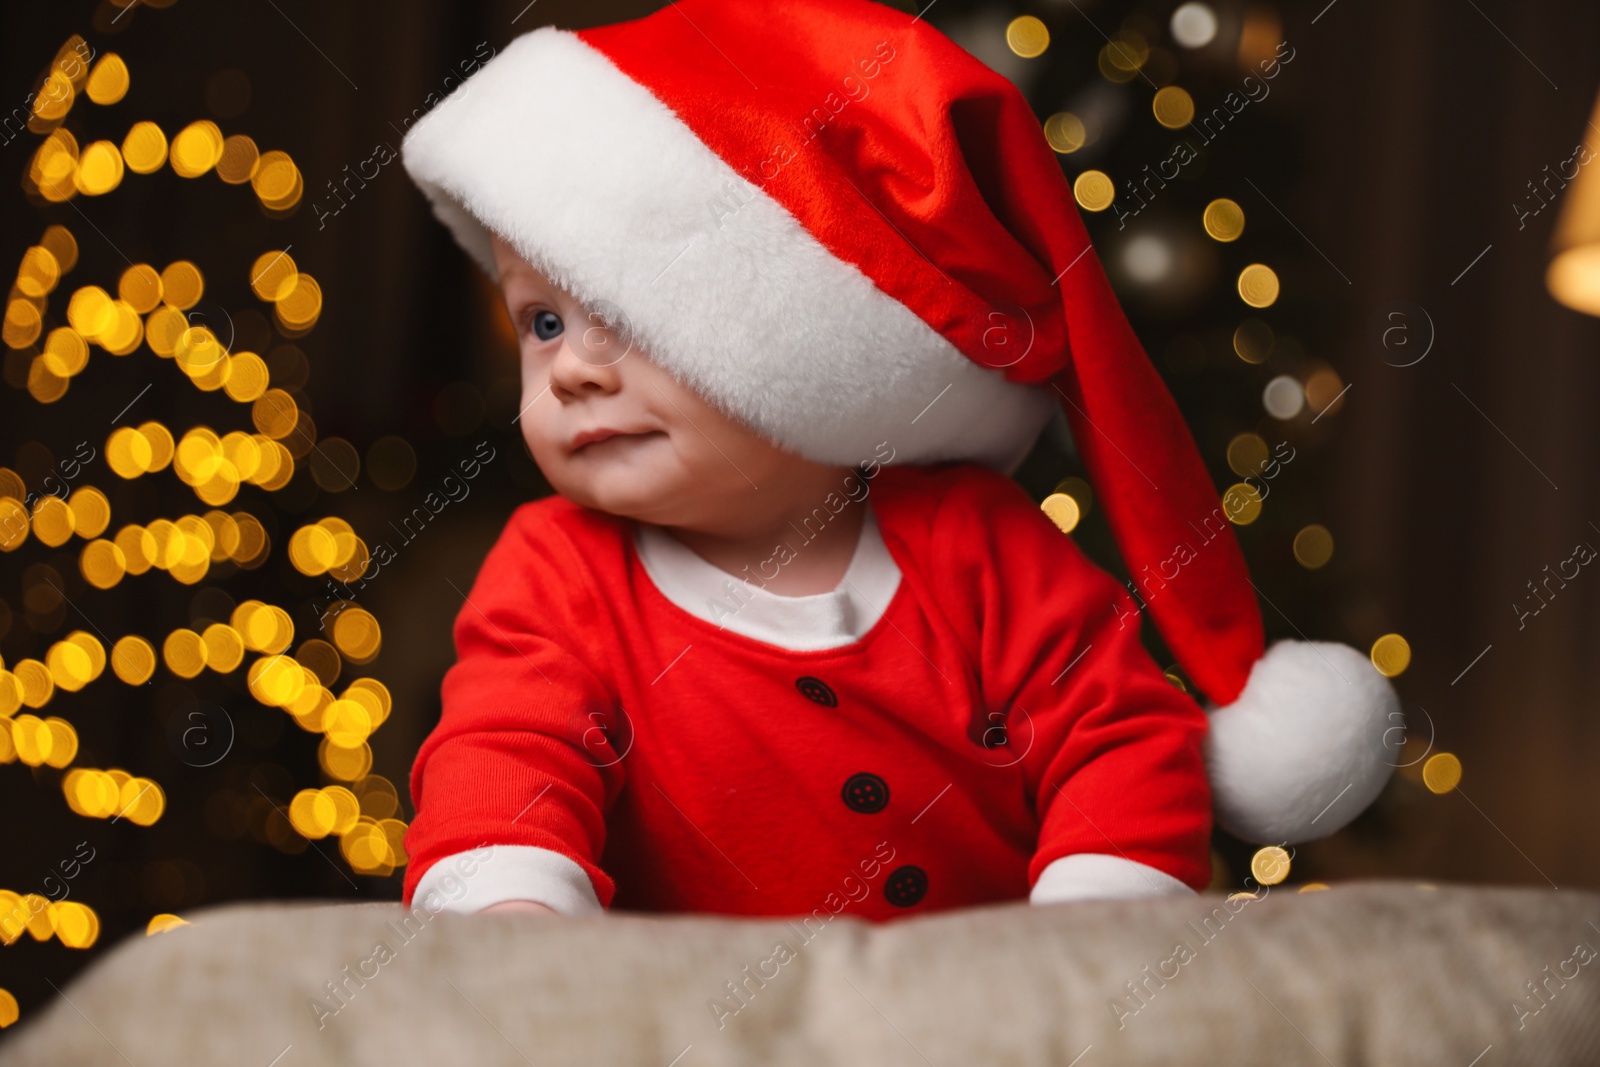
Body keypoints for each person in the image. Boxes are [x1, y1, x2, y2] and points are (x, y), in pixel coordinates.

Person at [397, 0, 1397, 919]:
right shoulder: (556, 567)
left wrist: (1093, 926)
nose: (570, 367)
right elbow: (505, 750)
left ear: (806, 346)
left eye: (629, 311)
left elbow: (1119, 735)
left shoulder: (978, 549)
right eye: (541, 319)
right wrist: (513, 912)